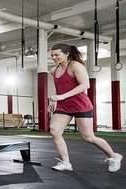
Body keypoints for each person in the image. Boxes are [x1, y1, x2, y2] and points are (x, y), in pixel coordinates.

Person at [48, 44, 122, 172]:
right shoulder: (53, 71)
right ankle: (66, 163)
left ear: (66, 54)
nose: (54, 57)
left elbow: (85, 85)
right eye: (52, 55)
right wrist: (55, 100)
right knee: (54, 130)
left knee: (88, 137)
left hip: (80, 105)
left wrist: (62, 96)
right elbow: (60, 87)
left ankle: (114, 156)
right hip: (64, 106)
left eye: (57, 55)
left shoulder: (75, 66)